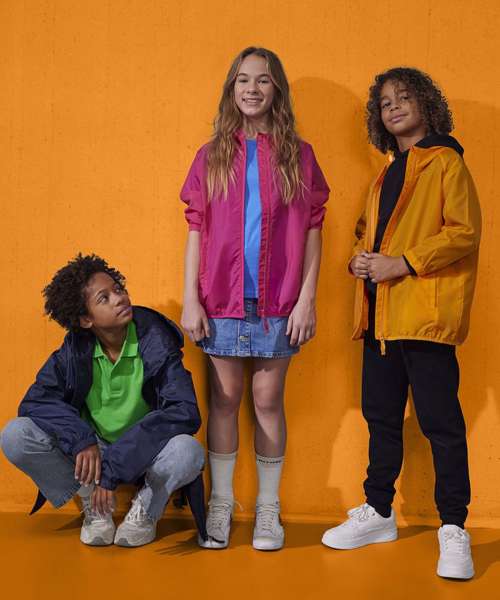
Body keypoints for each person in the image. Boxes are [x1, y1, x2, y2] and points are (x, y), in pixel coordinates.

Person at [321, 67, 481, 580]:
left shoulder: (446, 162)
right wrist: (359, 258)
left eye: (404, 97)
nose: (393, 107)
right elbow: (365, 232)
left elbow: (464, 232)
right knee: (381, 418)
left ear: (427, 105)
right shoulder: (387, 173)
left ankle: (453, 527)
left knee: (441, 425)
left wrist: (403, 263)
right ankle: (379, 512)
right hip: (380, 320)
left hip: (423, 319)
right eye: (385, 102)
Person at [180, 46, 329, 550]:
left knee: (267, 401)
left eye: (263, 80)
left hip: (278, 303)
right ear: (231, 88)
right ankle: (221, 503)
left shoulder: (298, 155)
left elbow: (313, 230)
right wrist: (190, 299)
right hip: (219, 300)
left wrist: (306, 299)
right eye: (243, 79)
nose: (252, 88)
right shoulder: (211, 156)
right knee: (223, 401)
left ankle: (268, 507)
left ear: (276, 90)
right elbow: (196, 230)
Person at [1, 254, 207, 547]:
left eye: (118, 289)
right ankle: (93, 504)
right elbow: (36, 402)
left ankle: (145, 510)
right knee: (15, 435)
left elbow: (184, 411)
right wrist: (82, 439)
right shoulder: (74, 351)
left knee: (189, 451)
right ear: (86, 319)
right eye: (104, 298)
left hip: (146, 448)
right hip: (95, 449)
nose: (119, 298)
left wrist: (113, 467)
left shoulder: (155, 339)